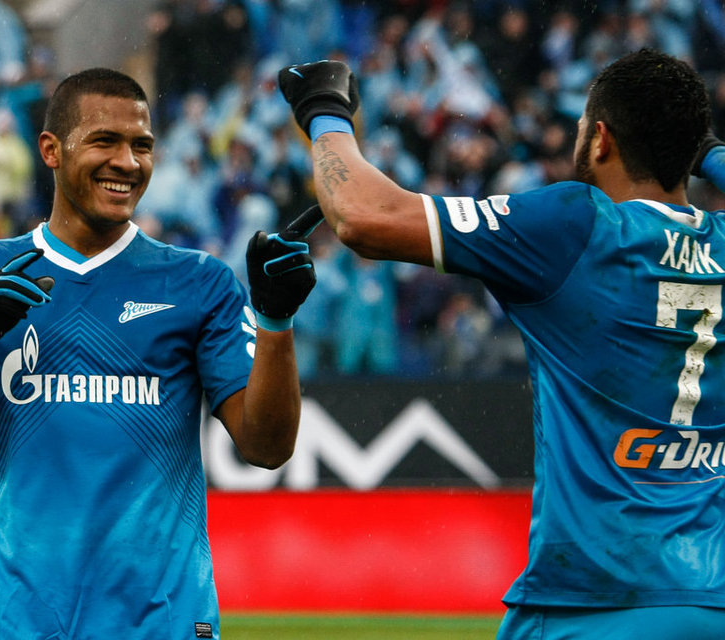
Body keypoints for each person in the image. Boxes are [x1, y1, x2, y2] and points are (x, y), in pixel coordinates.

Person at [278, 49, 725, 639]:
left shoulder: (578, 224)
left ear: (600, 139)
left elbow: (362, 215)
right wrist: (706, 152)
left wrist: (324, 108)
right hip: (712, 601)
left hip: (593, 603)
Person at [0, 68, 315, 639]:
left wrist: (275, 321)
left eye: (142, 145)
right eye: (105, 141)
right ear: (51, 150)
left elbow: (268, 448)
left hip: (162, 627)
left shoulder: (200, 282)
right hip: (16, 627)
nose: (128, 162)